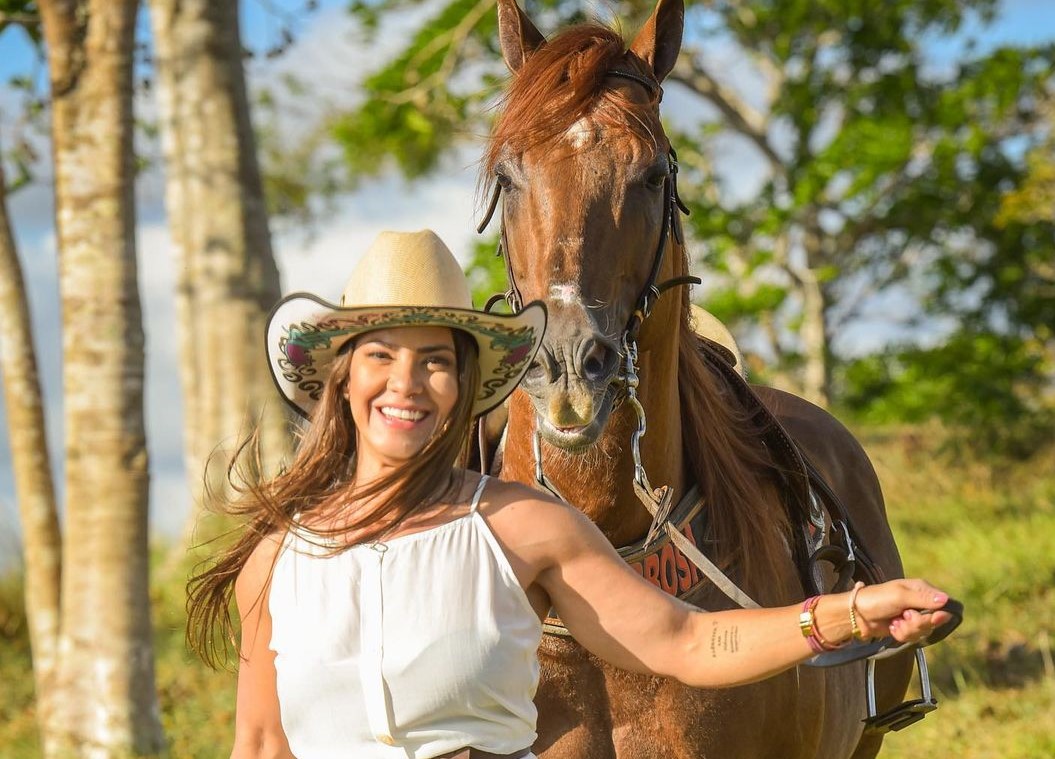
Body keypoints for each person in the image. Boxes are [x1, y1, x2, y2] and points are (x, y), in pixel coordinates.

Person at [186, 229, 955, 759]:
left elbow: (687, 641)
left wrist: (849, 610)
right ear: (343, 377)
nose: (407, 384)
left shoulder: (520, 524)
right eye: (381, 355)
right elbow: (259, 743)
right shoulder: (278, 557)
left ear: (463, 387)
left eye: (435, 361)